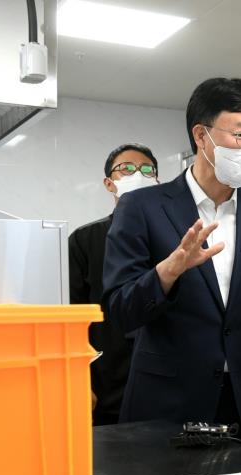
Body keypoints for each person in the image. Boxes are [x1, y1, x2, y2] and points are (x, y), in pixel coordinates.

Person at [103, 78, 241, 452]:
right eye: (240, 135)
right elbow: (120, 311)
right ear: (201, 136)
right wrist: (167, 272)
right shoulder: (142, 209)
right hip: (169, 403)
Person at [68, 143, 159, 426]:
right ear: (109, 183)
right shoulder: (85, 240)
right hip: (105, 381)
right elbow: (71, 319)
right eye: (127, 169)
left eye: (147, 170)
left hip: (162, 380)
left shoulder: (173, 240)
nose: (138, 174)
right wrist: (79, 379)